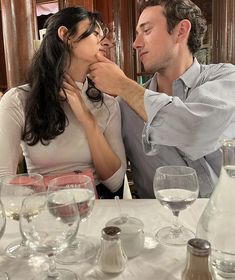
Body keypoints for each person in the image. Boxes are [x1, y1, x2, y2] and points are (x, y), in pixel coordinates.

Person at [89, 0, 235, 198]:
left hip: (221, 220)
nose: (135, 43)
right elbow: (109, 172)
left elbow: (194, 129)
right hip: (157, 223)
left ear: (181, 30)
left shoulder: (226, 78)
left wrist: (122, 84)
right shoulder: (124, 107)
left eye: (146, 30)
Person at [0, 6, 126, 198]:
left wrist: (87, 120)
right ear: (66, 35)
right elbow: (3, 179)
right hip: (43, 211)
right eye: (96, 34)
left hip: (96, 207)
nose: (107, 42)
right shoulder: (18, 100)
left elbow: (115, 181)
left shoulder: (108, 103)